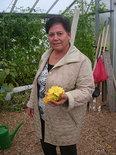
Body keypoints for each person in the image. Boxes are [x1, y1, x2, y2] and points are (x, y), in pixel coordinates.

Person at [27, 15, 95, 155]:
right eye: (51, 34)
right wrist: (31, 103)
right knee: (47, 146)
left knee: (67, 149)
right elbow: (38, 82)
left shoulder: (81, 61)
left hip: (65, 118)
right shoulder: (45, 56)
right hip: (43, 114)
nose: (55, 38)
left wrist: (68, 96)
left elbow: (87, 90)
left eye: (60, 33)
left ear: (68, 35)